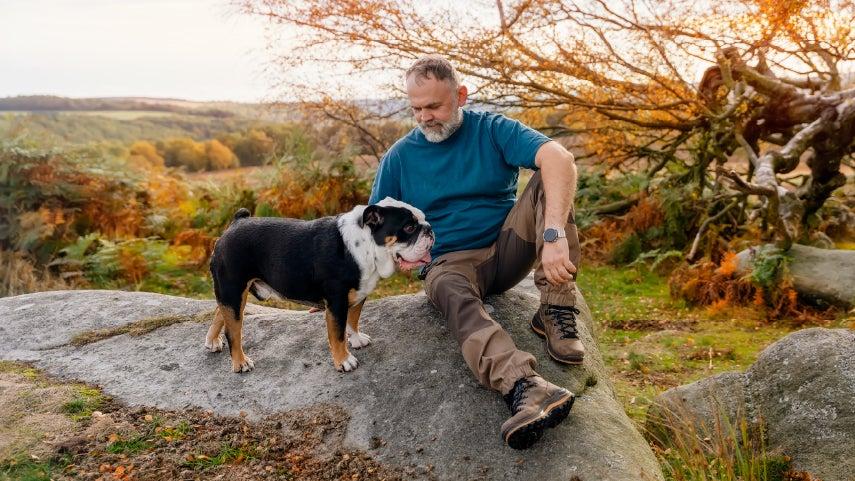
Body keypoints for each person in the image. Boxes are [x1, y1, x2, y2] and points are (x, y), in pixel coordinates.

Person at [369, 55, 583, 450]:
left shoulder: (491, 129)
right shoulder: (399, 157)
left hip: (506, 246)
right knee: (447, 289)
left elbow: (560, 158)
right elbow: (373, 227)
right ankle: (526, 386)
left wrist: (552, 234)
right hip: (448, 262)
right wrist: (340, 284)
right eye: (416, 109)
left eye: (434, 106)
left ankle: (555, 307)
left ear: (461, 96)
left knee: (551, 178)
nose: (425, 117)